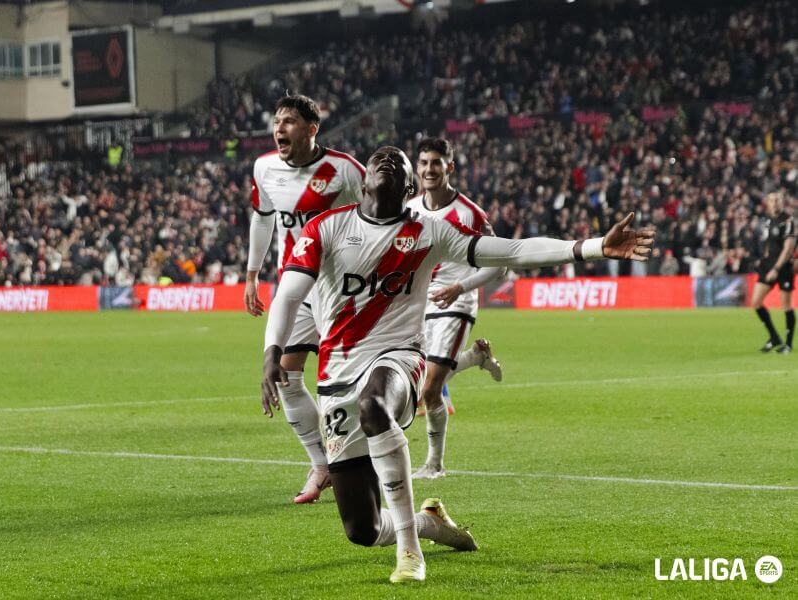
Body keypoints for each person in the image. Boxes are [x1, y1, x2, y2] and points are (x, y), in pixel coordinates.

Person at [260, 146, 654, 583]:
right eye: (379, 159)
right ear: (364, 178)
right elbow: (289, 295)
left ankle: (410, 554)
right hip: (337, 376)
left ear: (408, 187)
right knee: (362, 529)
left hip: (399, 356)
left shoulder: (429, 231)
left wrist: (594, 246)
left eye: (400, 162)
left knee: (376, 405)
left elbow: (513, 250)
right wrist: (271, 352)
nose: (389, 161)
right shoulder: (327, 227)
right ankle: (429, 524)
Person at [244, 94, 366, 503]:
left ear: (312, 129)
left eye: (291, 121)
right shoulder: (264, 168)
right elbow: (262, 219)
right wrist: (251, 274)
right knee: (285, 376)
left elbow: (379, 218)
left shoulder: (344, 170)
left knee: (347, 384)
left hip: (339, 287)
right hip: (293, 285)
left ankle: (363, 461)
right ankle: (321, 464)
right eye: (277, 121)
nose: (280, 128)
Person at [405, 138, 505, 479]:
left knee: (431, 388)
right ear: (417, 169)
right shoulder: (410, 208)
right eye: (423, 163)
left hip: (457, 302)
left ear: (450, 167)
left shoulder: (470, 214)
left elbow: (499, 266)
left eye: (436, 163)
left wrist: (460, 287)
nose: (429, 169)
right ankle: (476, 357)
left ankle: (434, 465)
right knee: (417, 384)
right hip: (419, 302)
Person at [751, 191, 796, 353]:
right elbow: (768, 244)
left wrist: (776, 268)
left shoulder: (788, 221)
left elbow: (788, 248)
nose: (775, 203)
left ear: (782, 202)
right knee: (756, 302)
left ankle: (788, 344)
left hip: (783, 268)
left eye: (777, 200)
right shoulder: (768, 221)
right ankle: (774, 337)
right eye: (772, 200)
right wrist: (763, 260)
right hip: (767, 266)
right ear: (768, 203)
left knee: (786, 305)